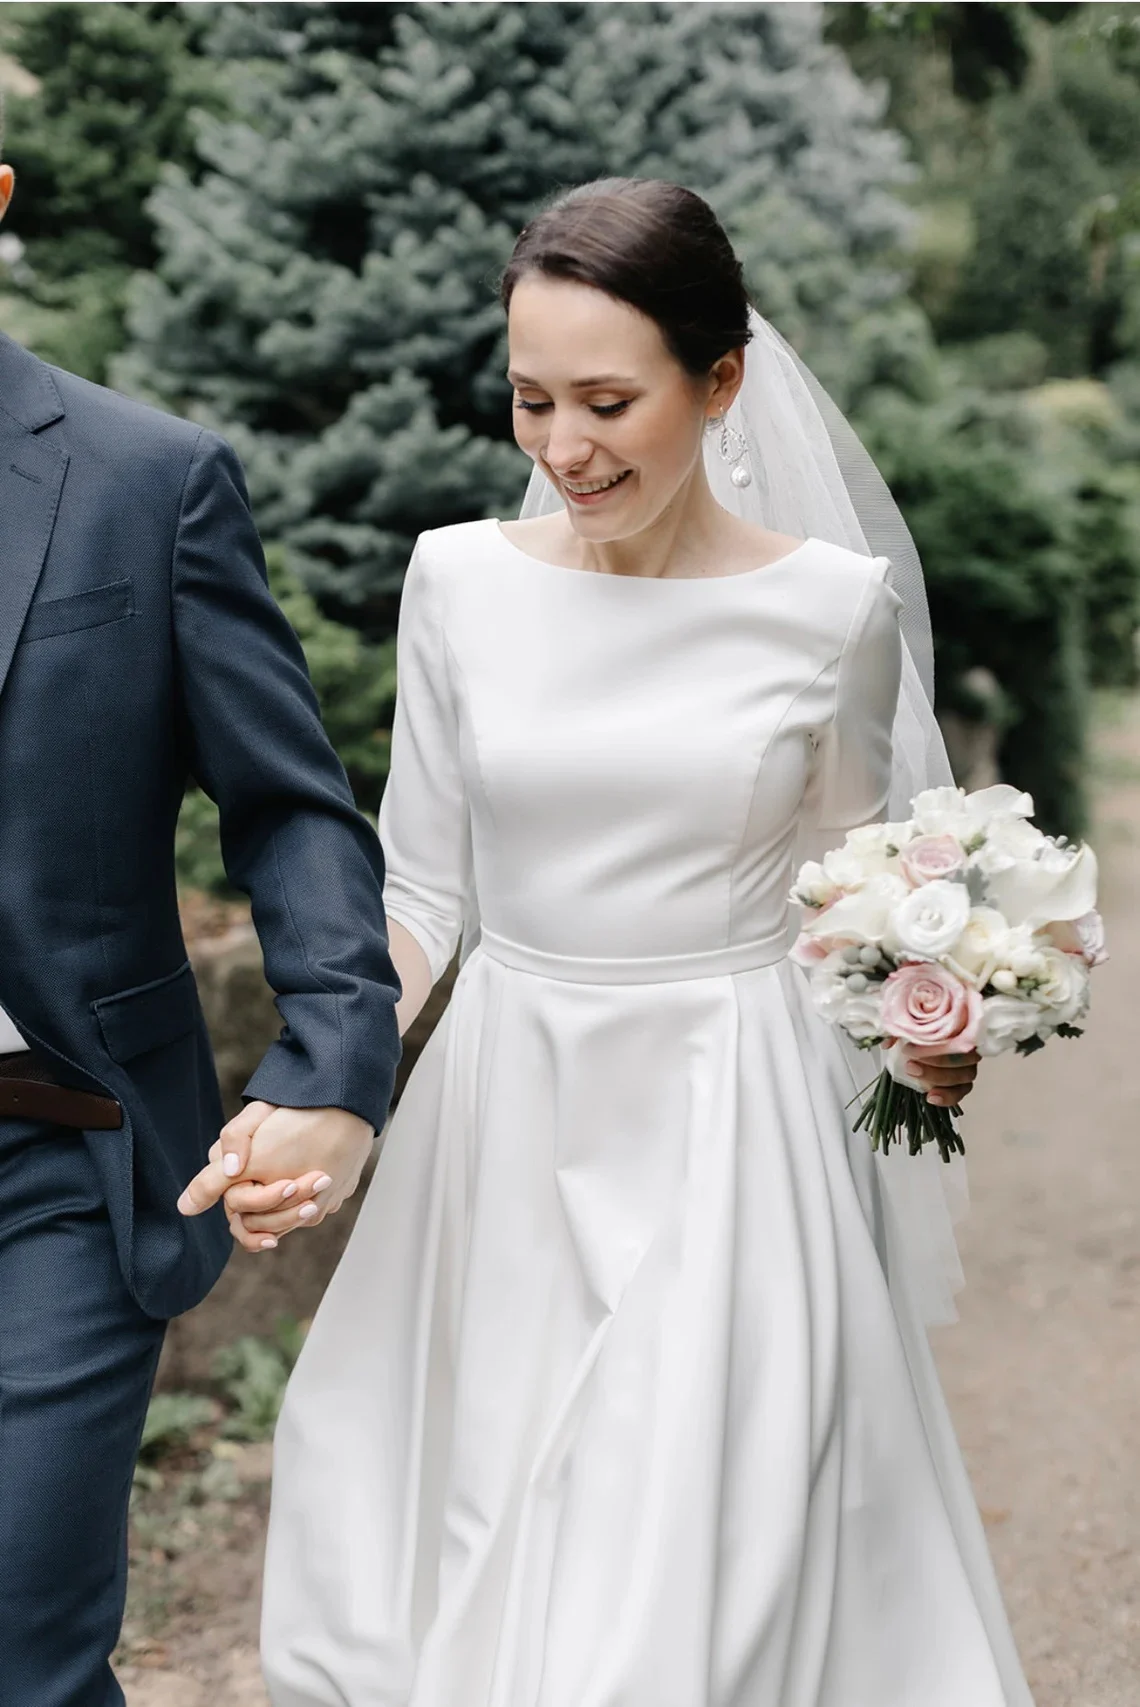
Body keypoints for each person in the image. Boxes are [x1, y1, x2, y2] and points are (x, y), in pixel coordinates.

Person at [257, 179, 1035, 1706]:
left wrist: (925, 1029)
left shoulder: (833, 610)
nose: (564, 448)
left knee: (686, 1576)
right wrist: (322, 1086)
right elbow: (420, 893)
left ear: (721, 381)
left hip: (730, 1122)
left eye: (608, 401)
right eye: (531, 401)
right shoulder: (456, 582)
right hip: (503, 1121)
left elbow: (847, 897)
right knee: (466, 1530)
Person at [0, 149, 401, 1705]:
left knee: (23, 1652)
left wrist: (331, 1060)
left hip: (59, 1152)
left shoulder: (144, 478)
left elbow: (290, 803)